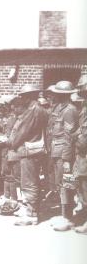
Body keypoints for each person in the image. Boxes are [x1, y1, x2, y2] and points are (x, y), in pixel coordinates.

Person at [9, 84, 48, 226]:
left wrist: (11, 143)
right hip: (34, 150)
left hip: (29, 151)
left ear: (29, 96)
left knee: (29, 182)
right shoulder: (40, 109)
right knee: (33, 181)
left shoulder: (33, 110)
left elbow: (23, 132)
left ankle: (32, 214)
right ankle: (32, 210)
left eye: (23, 96)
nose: (21, 98)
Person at [47, 81, 79, 231]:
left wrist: (66, 159)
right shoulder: (59, 108)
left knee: (66, 184)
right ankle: (63, 214)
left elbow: (69, 136)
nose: (54, 96)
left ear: (63, 95)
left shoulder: (70, 110)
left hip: (63, 152)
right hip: (55, 150)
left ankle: (68, 218)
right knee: (60, 183)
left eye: (57, 93)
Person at [73, 75, 87, 234]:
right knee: (81, 186)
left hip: (84, 152)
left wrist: (76, 139)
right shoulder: (84, 106)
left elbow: (83, 137)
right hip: (82, 155)